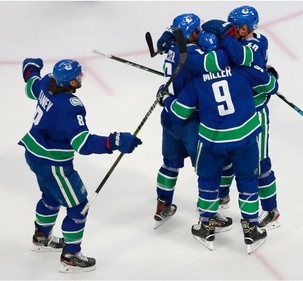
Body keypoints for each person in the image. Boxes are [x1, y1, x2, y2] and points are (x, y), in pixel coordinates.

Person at [19, 58, 142, 272]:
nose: (81, 77)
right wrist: (115, 141)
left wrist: (30, 67)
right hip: (54, 163)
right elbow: (83, 143)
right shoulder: (70, 107)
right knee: (78, 206)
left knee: (51, 196)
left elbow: (31, 84)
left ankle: (41, 237)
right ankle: (71, 256)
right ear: (72, 83)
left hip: (34, 154)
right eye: (78, 76)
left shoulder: (47, 82)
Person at [157, 54, 279, 253]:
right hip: (244, 138)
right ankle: (251, 229)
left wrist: (165, 98)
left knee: (209, 180)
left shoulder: (197, 81)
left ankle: (206, 226)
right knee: (248, 180)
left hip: (213, 141)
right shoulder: (242, 70)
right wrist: (269, 73)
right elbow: (271, 86)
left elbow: (179, 113)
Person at [202, 6, 281, 230]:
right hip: (235, 113)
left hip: (255, 112)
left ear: (246, 29)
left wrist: (224, 34)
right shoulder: (240, 41)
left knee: (259, 162)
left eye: (235, 28)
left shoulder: (254, 45)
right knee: (226, 157)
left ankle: (271, 209)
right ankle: (222, 196)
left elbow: (238, 57)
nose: (233, 31)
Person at [153, 14, 233, 231]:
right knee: (208, 170)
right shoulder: (192, 54)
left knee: (170, 164)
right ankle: (209, 216)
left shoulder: (173, 47)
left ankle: (163, 204)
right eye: (197, 30)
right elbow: (217, 62)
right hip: (191, 120)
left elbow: (173, 38)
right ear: (192, 34)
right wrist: (226, 40)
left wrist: (169, 34)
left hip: (169, 118)